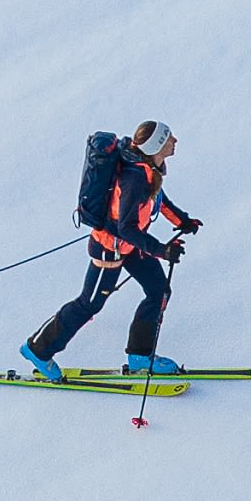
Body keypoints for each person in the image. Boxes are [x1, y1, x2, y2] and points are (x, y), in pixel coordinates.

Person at [25, 119, 199, 379]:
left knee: (158, 290)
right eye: (169, 138)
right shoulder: (135, 179)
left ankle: (140, 356)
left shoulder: (149, 168)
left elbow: (158, 199)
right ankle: (38, 350)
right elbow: (126, 228)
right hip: (110, 249)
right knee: (89, 304)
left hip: (129, 246)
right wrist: (162, 251)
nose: (175, 140)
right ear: (156, 147)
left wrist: (181, 220)